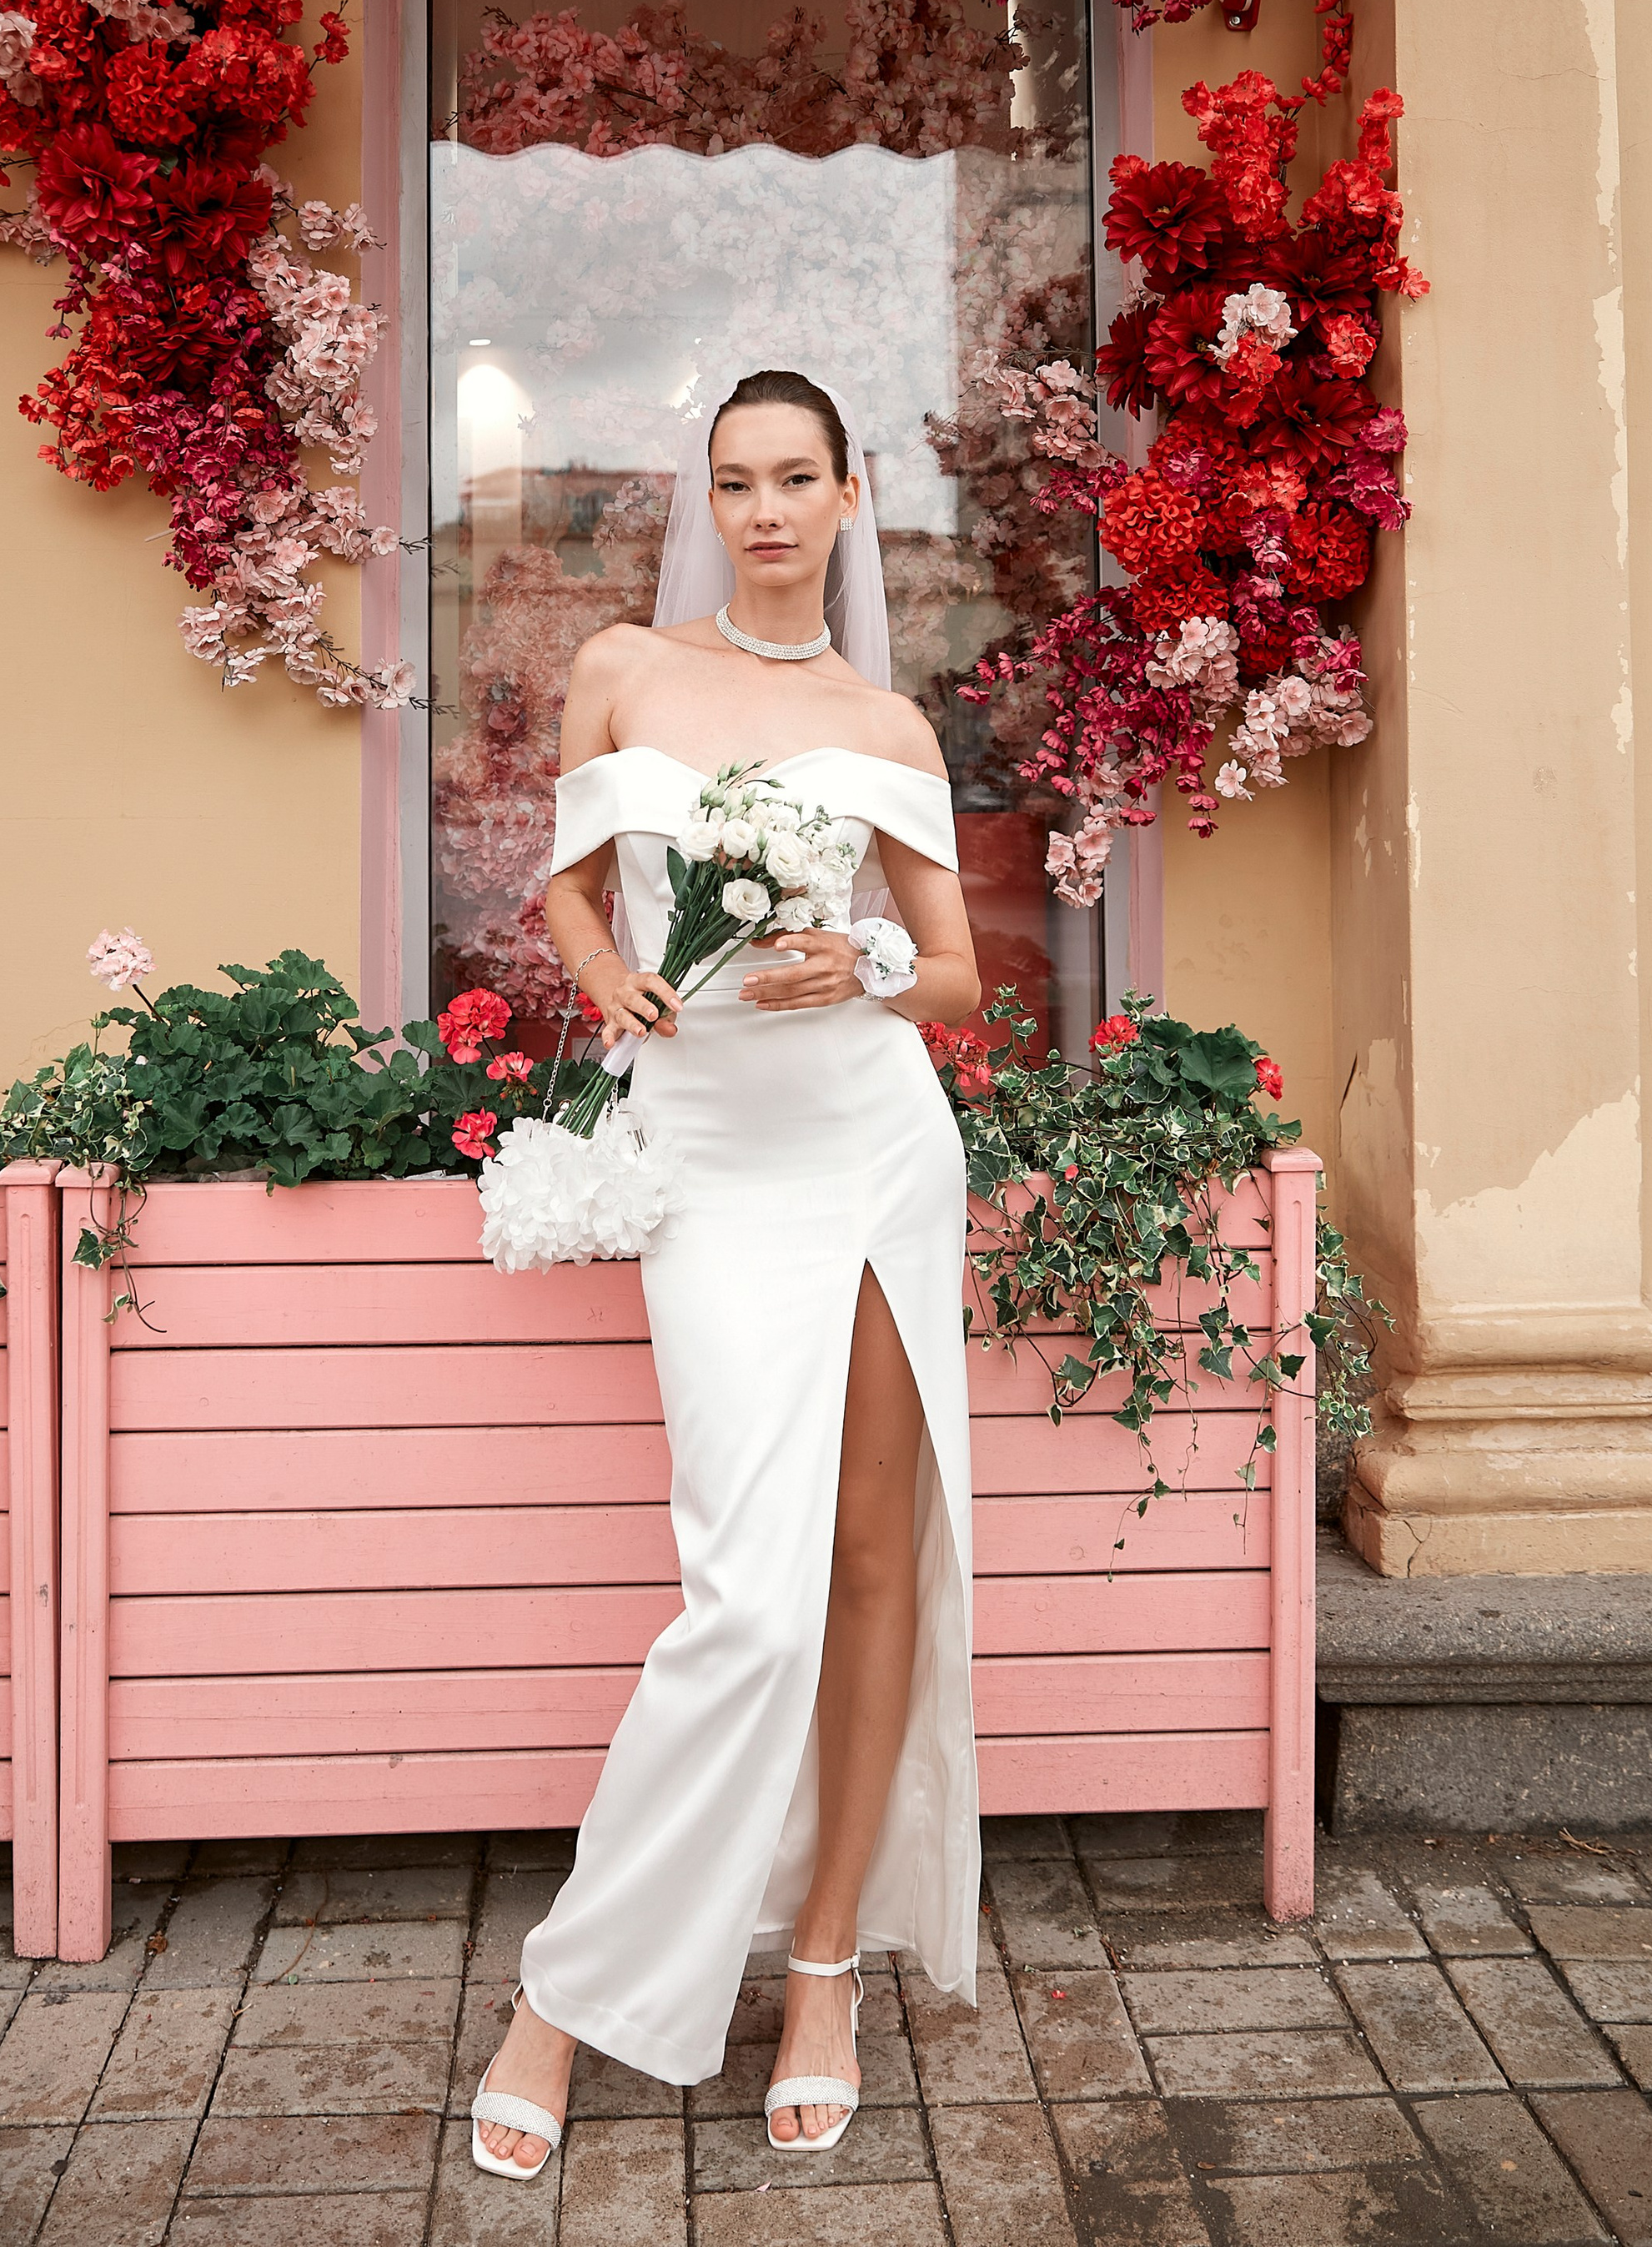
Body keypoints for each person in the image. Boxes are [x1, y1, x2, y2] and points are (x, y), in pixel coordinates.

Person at [470, 366, 985, 2177]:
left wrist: (862, 964)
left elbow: (954, 975)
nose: (764, 510)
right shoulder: (623, 666)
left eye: (794, 480)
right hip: (701, 1160)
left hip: (868, 1155)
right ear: (711, 501)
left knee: (867, 1560)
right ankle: (567, 1990)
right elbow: (566, 888)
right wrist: (601, 973)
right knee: (746, 1603)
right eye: (736, 482)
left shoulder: (885, 723)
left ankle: (824, 1962)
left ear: (848, 498)